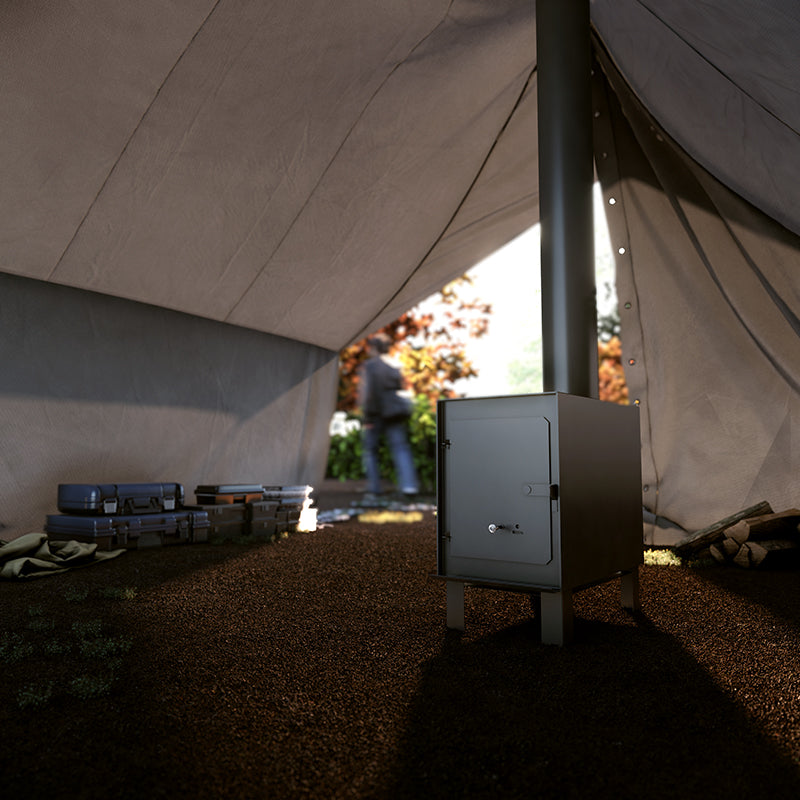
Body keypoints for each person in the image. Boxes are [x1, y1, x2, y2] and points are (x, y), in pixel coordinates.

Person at [358, 333, 419, 503]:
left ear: (374, 348)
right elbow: (405, 388)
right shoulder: (396, 364)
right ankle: (409, 487)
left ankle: (375, 489)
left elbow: (366, 393)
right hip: (394, 412)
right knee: (401, 449)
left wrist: (366, 416)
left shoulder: (370, 366)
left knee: (370, 451)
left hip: (375, 413)